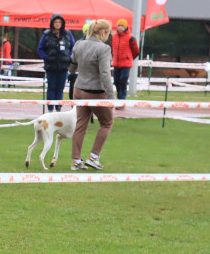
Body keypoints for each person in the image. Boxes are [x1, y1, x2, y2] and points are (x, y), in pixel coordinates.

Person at [67, 19, 116, 171]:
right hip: (95, 92)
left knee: (81, 124)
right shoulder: (104, 48)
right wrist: (112, 96)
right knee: (107, 123)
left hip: (78, 89)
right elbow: (105, 74)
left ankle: (76, 160)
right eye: (108, 33)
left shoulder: (79, 44)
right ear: (103, 33)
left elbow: (71, 68)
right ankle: (94, 157)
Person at [37, 14, 75, 112]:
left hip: (64, 67)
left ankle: (58, 109)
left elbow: (73, 47)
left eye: (59, 22)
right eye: (56, 22)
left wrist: (69, 56)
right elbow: (40, 49)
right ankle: (50, 109)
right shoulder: (46, 34)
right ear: (52, 23)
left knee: (60, 89)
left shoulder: (67, 33)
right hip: (51, 67)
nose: (58, 24)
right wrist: (47, 58)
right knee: (51, 88)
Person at [110, 18, 140, 101]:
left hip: (126, 64)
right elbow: (112, 48)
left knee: (123, 80)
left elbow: (136, 51)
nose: (120, 27)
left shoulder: (131, 38)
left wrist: (129, 58)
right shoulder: (113, 37)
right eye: (119, 25)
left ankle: (122, 98)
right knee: (116, 81)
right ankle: (119, 95)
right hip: (116, 63)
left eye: (122, 26)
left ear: (125, 27)